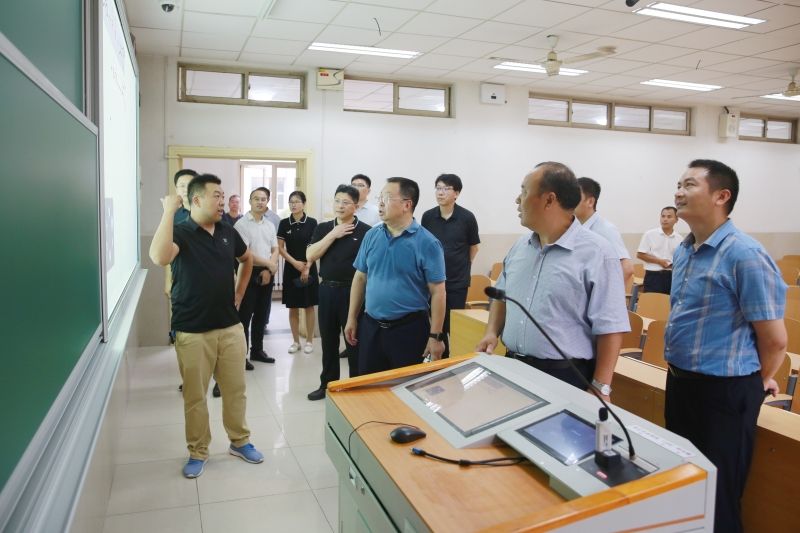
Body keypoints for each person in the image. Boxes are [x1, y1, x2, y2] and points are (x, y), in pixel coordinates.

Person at [664, 159, 786, 533]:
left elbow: (775, 340)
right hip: (681, 383)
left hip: (725, 392)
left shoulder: (744, 254)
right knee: (685, 485)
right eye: (678, 184)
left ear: (721, 196)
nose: (678, 192)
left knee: (717, 497)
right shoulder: (685, 249)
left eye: (689, 185)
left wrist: (755, 381)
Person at [476, 163, 628, 398]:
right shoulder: (520, 247)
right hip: (513, 366)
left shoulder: (597, 252)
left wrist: (601, 386)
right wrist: (491, 332)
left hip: (564, 376)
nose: (517, 200)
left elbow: (611, 326)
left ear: (549, 200)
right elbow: (502, 295)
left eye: (524, 191)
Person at [149, 173, 264, 478]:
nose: (222, 201)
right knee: (195, 397)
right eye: (216, 196)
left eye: (223, 196)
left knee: (235, 391)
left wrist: (239, 293)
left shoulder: (227, 231)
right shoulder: (181, 232)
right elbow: (159, 256)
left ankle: (240, 441)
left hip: (230, 327)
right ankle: (198, 451)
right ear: (197, 200)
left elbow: (247, 259)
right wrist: (168, 211)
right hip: (192, 330)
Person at [345, 177, 447, 374]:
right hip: (371, 326)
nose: (380, 203)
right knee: (370, 384)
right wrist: (352, 317)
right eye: (380, 197)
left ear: (407, 205)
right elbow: (360, 278)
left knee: (405, 386)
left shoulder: (428, 243)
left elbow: (438, 292)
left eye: (387, 198)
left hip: (409, 330)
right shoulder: (372, 235)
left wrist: (435, 336)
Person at [305, 185, 371, 400]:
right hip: (327, 290)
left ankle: (356, 386)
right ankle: (328, 384)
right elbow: (310, 255)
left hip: (354, 292)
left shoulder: (366, 231)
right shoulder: (324, 228)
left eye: (345, 202)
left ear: (356, 206)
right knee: (328, 341)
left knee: (353, 341)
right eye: (337, 201)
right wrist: (333, 234)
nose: (340, 206)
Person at [420, 173, 480, 358]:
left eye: (446, 189)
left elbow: (474, 247)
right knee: (434, 325)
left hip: (457, 282)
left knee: (452, 326)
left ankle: (452, 361)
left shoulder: (467, 217)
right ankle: (438, 359)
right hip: (432, 281)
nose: (441, 192)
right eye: (438, 188)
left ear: (457, 193)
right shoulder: (428, 217)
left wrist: (462, 266)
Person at [234, 187, 279, 367]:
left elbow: (275, 249)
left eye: (263, 199)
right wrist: (269, 264)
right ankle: (242, 356)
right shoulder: (241, 225)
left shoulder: (269, 225)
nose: (260, 202)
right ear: (250, 201)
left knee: (261, 314)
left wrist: (269, 268)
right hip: (248, 271)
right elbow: (246, 254)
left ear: (267, 202)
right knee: (245, 316)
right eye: (256, 199)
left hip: (266, 272)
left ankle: (257, 351)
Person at [277, 191, 319, 354]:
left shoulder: (312, 222)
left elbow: (314, 247)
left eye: (296, 201)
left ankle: (309, 341)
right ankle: (295, 342)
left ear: (304, 203)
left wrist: (307, 267)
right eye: (291, 202)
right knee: (292, 306)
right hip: (291, 268)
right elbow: (280, 248)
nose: (293, 204)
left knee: (309, 305)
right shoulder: (284, 223)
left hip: (309, 267)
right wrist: (295, 263)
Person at [575, 177, 634, 286]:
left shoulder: (606, 229)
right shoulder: (575, 228)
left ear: (590, 202)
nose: (569, 201)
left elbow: (627, 268)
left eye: (575, 196)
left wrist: (609, 293)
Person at [636, 206, 682, 294]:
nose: (665, 219)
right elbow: (640, 254)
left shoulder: (679, 239)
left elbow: (680, 259)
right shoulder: (649, 234)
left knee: (668, 302)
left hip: (671, 276)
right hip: (653, 276)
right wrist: (659, 261)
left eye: (669, 217)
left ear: (676, 220)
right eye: (663, 216)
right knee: (651, 301)